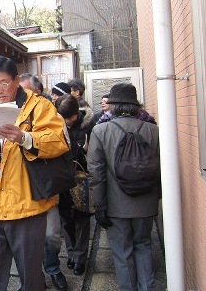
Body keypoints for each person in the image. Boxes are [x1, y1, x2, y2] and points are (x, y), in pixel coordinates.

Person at [0, 56, 69, 291]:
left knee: (30, 276)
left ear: (16, 80)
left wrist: (23, 138)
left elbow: (59, 142)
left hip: (27, 207)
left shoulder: (39, 106)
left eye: (3, 83)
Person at [87, 83, 160, 291]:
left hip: (115, 205)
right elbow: (162, 169)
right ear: (136, 106)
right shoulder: (153, 130)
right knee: (143, 246)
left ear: (113, 106)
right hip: (146, 202)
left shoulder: (100, 131)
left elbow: (96, 174)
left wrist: (99, 207)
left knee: (122, 252)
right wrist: (157, 197)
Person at [19, 75, 68, 290]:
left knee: (52, 235)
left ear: (37, 91)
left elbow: (61, 143)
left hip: (45, 184)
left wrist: (27, 139)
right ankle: (33, 276)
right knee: (27, 238)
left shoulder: (49, 112)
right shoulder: (9, 111)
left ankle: (53, 268)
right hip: (21, 186)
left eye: (26, 92)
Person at [55, 94, 95, 277]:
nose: (66, 122)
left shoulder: (90, 126)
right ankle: (70, 253)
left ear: (75, 114)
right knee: (66, 218)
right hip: (62, 180)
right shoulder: (56, 125)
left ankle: (80, 258)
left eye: (68, 119)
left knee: (81, 219)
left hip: (83, 180)